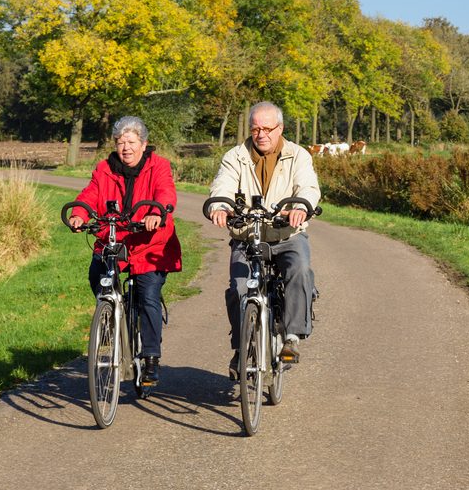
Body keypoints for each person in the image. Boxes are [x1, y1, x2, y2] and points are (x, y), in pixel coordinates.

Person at [68, 116, 182, 387]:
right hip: (115, 237)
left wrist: (156, 212)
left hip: (150, 241)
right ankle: (109, 317)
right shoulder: (105, 168)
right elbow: (89, 194)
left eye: (131, 142)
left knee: (148, 294)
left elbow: (166, 193)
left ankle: (151, 357)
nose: (125, 148)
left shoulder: (159, 166)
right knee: (97, 272)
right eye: (120, 143)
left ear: (143, 144)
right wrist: (79, 214)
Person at [208, 101, 320, 375]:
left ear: (280, 128)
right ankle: (241, 348)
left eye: (268, 128)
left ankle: (292, 336)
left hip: (286, 234)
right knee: (238, 287)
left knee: (300, 269)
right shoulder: (235, 156)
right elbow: (222, 184)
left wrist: (301, 206)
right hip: (248, 236)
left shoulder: (298, 155)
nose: (261, 134)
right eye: (256, 128)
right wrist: (219, 206)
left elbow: (307, 185)